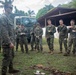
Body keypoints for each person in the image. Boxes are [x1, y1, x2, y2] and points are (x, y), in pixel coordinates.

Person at [0, 1, 19, 75]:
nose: (11, 9)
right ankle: (3, 73)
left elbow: (11, 30)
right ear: (5, 8)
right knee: (6, 58)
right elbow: (4, 32)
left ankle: (11, 69)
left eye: (12, 7)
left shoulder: (9, 18)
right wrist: (9, 42)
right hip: (7, 42)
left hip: (11, 41)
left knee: (11, 56)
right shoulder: (3, 17)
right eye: (10, 7)